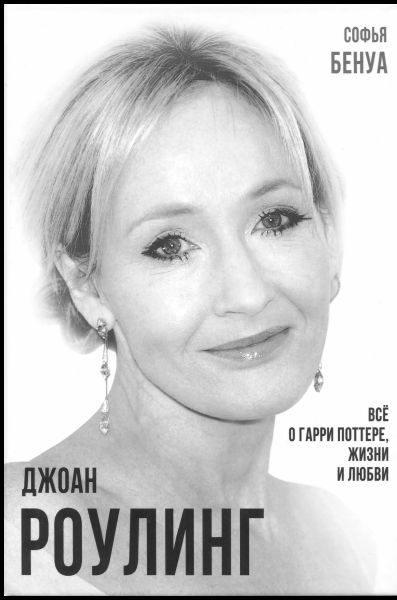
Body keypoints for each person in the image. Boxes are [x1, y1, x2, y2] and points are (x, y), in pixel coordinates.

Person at [5, 26, 375, 595]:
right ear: (87, 286)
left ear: (329, 238)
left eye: (275, 220)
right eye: (171, 246)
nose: (247, 293)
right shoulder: (23, 539)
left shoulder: (345, 535)